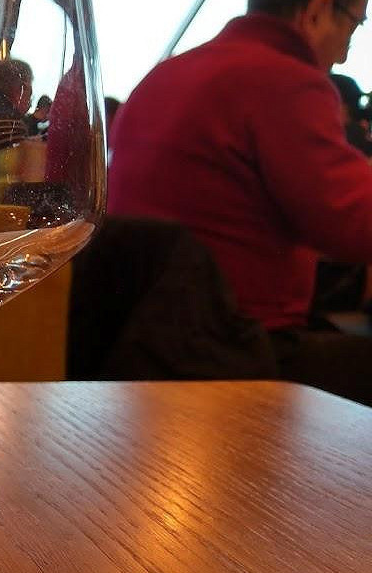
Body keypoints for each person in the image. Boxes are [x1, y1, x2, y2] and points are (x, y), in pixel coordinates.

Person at [108, 0, 372, 405]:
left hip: (131, 349)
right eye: (354, 27)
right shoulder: (284, 79)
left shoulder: (165, 74)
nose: (344, 55)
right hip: (226, 355)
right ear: (317, 12)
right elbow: (351, 220)